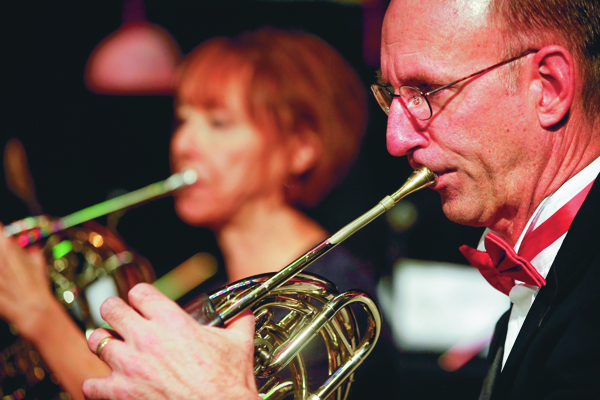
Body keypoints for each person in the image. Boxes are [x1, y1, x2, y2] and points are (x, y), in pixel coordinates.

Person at [81, 0, 600, 399]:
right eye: (392, 98)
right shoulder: (545, 276)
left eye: (429, 91)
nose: (397, 140)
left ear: (549, 88)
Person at [0, 28, 377, 400]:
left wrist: (38, 315)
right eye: (182, 120)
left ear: (300, 149)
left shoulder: (327, 298)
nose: (183, 144)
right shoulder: (213, 284)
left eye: (218, 122)